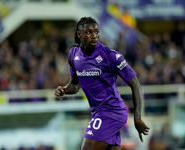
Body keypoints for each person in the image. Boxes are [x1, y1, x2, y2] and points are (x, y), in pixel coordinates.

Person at [55, 16, 150, 150]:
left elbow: (136, 85)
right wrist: (65, 89)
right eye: (89, 32)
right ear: (79, 34)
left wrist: (138, 117)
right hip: (97, 112)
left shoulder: (110, 56)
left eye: (96, 32)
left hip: (112, 111)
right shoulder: (73, 55)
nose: (94, 36)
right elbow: (75, 85)